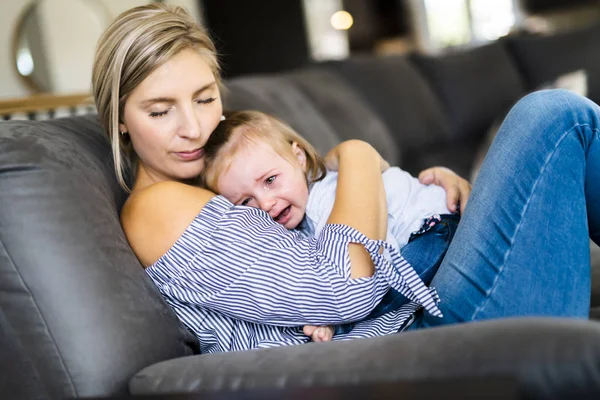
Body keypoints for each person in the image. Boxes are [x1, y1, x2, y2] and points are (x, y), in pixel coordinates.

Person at [92, 4, 598, 353]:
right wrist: (358, 154)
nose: (196, 127)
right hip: (423, 341)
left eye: (205, 98)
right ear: (119, 119)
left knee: (552, 130)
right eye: (160, 111)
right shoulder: (157, 208)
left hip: (425, 300)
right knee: (553, 118)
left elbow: (323, 224)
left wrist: (437, 197)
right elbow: (343, 288)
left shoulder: (212, 176)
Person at [200, 110, 461, 340]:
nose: (266, 202)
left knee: (388, 291)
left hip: (434, 229)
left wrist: (333, 318)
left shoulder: (326, 198)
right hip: (428, 229)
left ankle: (342, 327)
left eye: (270, 180)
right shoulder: (297, 217)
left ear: (299, 157)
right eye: (246, 200)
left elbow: (375, 262)